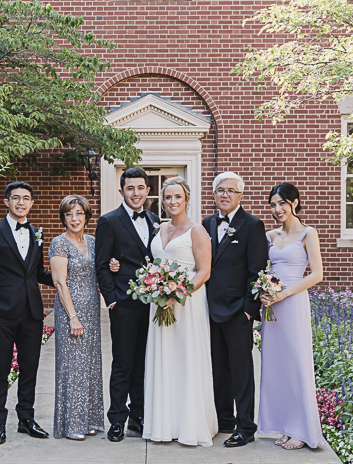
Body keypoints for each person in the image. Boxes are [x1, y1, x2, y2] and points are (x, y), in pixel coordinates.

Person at [0, 182, 54, 445]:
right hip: (2, 314)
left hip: (31, 312)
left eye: (26, 198)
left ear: (32, 203)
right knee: (1, 369)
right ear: (6, 202)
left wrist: (67, 277)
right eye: (16, 198)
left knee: (30, 369)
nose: (21, 202)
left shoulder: (37, 233)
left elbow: (37, 271)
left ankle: (26, 419)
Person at [142, 177, 217, 446]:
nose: (173, 202)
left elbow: (204, 272)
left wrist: (177, 294)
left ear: (186, 199)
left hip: (187, 303)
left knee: (186, 359)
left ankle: (190, 425)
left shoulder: (197, 230)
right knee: (165, 360)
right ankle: (165, 423)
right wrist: (157, 290)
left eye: (177, 197)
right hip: (160, 303)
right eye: (168, 197)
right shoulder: (160, 229)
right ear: (162, 201)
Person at [201, 171, 268, 448]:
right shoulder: (206, 223)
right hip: (209, 309)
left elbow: (258, 271)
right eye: (220, 190)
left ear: (240, 195)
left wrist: (249, 309)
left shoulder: (252, 225)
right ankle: (224, 419)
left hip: (238, 310)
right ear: (213, 195)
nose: (225, 195)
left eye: (230, 190)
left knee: (241, 370)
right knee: (218, 368)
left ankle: (245, 427)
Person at [94, 167, 160, 442]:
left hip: (153, 306)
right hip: (124, 305)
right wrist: (112, 301)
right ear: (121, 191)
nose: (136, 193)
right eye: (130, 188)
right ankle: (117, 419)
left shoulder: (155, 219)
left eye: (141, 187)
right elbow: (102, 266)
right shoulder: (109, 221)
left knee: (145, 363)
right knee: (122, 364)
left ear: (147, 190)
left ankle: (139, 415)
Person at [259, 183, 325, 450]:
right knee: (276, 366)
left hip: (294, 302)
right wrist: (263, 292)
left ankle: (301, 429)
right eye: (273, 205)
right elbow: (262, 270)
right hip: (271, 306)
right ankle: (285, 425)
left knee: (297, 363)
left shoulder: (308, 233)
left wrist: (284, 293)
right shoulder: (269, 236)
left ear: (294, 203)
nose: (277, 209)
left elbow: (317, 274)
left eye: (282, 203)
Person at [49, 195, 104, 440]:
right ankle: (71, 424)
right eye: (69, 214)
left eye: (79, 213)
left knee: (90, 365)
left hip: (91, 310)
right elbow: (60, 282)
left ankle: (89, 420)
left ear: (86, 216)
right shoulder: (59, 243)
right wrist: (72, 316)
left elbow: (99, 270)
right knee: (72, 367)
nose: (74, 218)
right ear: (63, 217)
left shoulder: (92, 242)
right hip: (70, 310)